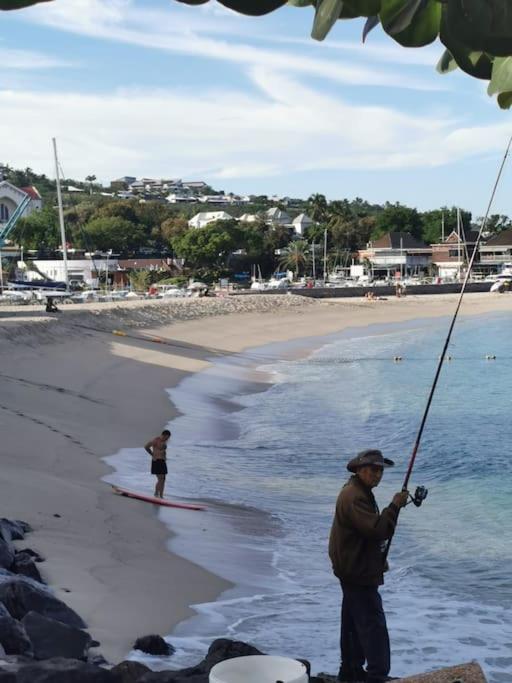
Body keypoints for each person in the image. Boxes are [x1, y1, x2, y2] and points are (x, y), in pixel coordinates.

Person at [329, 449, 409, 683]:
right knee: (373, 625)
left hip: (352, 568)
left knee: (353, 621)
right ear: (359, 470)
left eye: (380, 470)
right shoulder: (354, 496)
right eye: (373, 470)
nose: (378, 475)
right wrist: (394, 506)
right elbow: (377, 530)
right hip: (356, 571)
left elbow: (367, 533)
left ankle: (350, 671)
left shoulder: (357, 491)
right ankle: (377, 676)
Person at [144, 429, 171, 498]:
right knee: (160, 479)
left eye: (168, 438)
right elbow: (146, 446)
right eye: (166, 437)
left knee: (163, 479)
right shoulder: (155, 440)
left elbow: (162, 451)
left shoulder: (164, 442)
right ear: (163, 435)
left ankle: (161, 495)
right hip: (156, 461)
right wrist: (152, 454)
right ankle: (156, 493)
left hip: (162, 461)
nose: (167, 439)